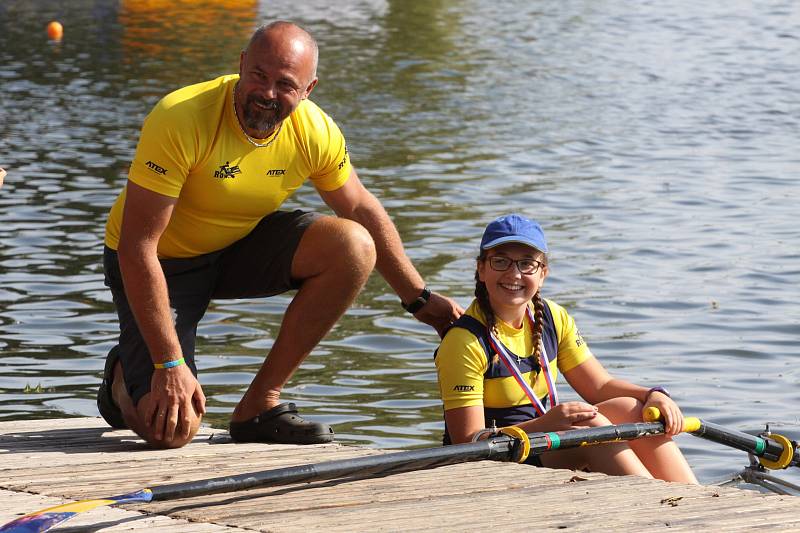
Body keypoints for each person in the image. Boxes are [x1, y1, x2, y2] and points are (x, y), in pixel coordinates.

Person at [98, 21, 462, 449]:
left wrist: (418, 298)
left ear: (309, 89)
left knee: (352, 244)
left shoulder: (315, 131)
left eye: (285, 84)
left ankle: (258, 405)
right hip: (159, 262)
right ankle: (123, 379)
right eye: (258, 76)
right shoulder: (181, 117)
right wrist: (169, 363)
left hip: (235, 248)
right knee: (172, 431)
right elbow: (137, 247)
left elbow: (361, 206)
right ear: (240, 65)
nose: (267, 93)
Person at [435, 214, 697, 482]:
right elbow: (468, 442)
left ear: (543, 273)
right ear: (481, 269)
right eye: (500, 261)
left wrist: (653, 394)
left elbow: (599, 386)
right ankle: (658, 502)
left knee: (630, 407)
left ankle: (693, 497)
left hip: (539, 443)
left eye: (527, 264)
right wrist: (544, 425)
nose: (514, 274)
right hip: (490, 461)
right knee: (591, 426)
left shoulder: (552, 317)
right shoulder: (464, 342)